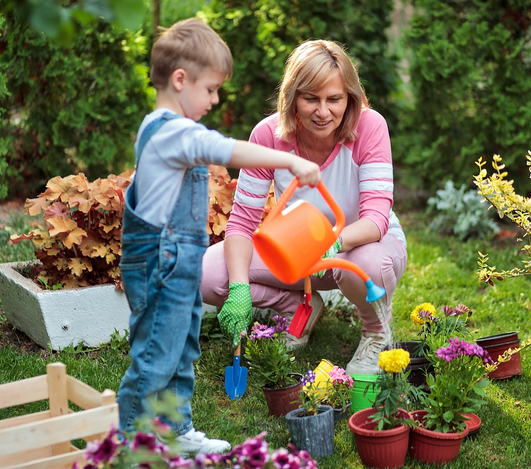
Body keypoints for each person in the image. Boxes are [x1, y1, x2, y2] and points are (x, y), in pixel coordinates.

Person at [115, 18, 321, 455]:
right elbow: (224, 149)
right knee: (155, 355)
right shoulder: (170, 130)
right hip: (158, 262)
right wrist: (290, 163)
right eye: (210, 89)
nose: (215, 99)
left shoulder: (174, 129)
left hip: (179, 261)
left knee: (183, 347)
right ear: (180, 79)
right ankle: (132, 441)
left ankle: (177, 430)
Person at [201, 39, 407, 376]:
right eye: (311, 98)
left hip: (358, 247)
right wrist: (238, 288)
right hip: (297, 252)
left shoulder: (370, 128)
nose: (323, 111)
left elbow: (375, 219)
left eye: (334, 99)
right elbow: (241, 224)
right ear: (293, 97)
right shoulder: (268, 135)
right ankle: (298, 309)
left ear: (350, 98)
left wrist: (336, 241)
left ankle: (375, 331)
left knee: (365, 262)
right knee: (211, 274)